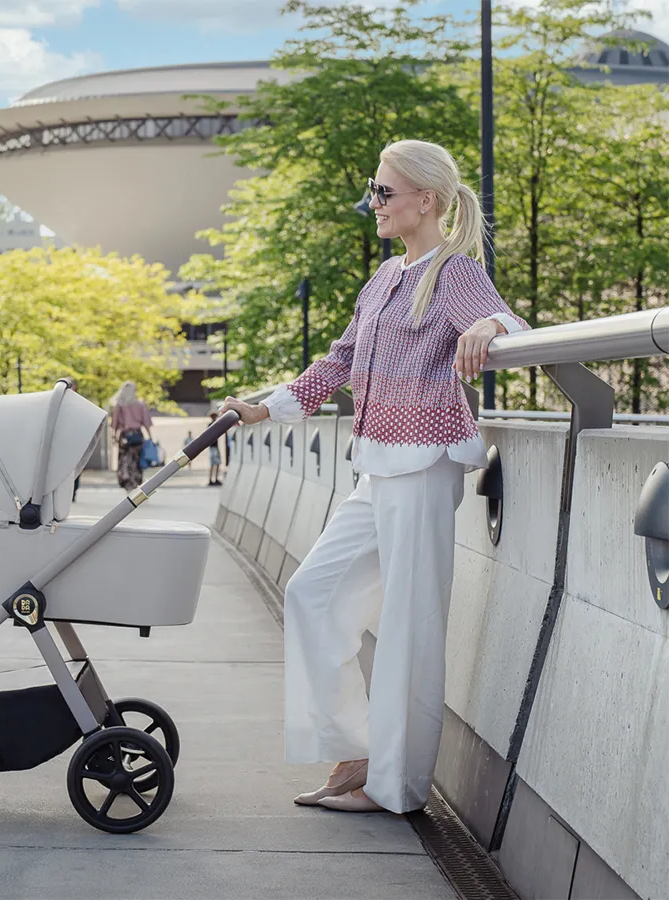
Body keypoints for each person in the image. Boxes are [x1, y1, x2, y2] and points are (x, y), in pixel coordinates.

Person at [220, 140, 529, 816]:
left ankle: (397, 789)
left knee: (410, 630)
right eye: (374, 190)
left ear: (427, 200)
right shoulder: (385, 277)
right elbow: (337, 364)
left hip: (425, 467)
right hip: (377, 463)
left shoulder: (452, 271)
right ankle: (358, 747)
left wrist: (486, 325)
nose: (375, 203)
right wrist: (260, 408)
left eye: (385, 193)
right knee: (313, 593)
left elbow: (508, 323)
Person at [110, 381, 153, 491]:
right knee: (137, 459)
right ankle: (136, 482)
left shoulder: (119, 405)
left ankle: (127, 480)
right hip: (138, 435)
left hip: (125, 436)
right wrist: (150, 436)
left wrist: (114, 436)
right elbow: (146, 422)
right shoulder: (140, 404)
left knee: (125, 459)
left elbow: (115, 423)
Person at [207, 412, 223, 486]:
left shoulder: (211, 425)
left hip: (214, 447)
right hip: (213, 447)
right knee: (214, 464)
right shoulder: (212, 425)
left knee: (215, 464)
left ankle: (213, 479)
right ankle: (212, 479)